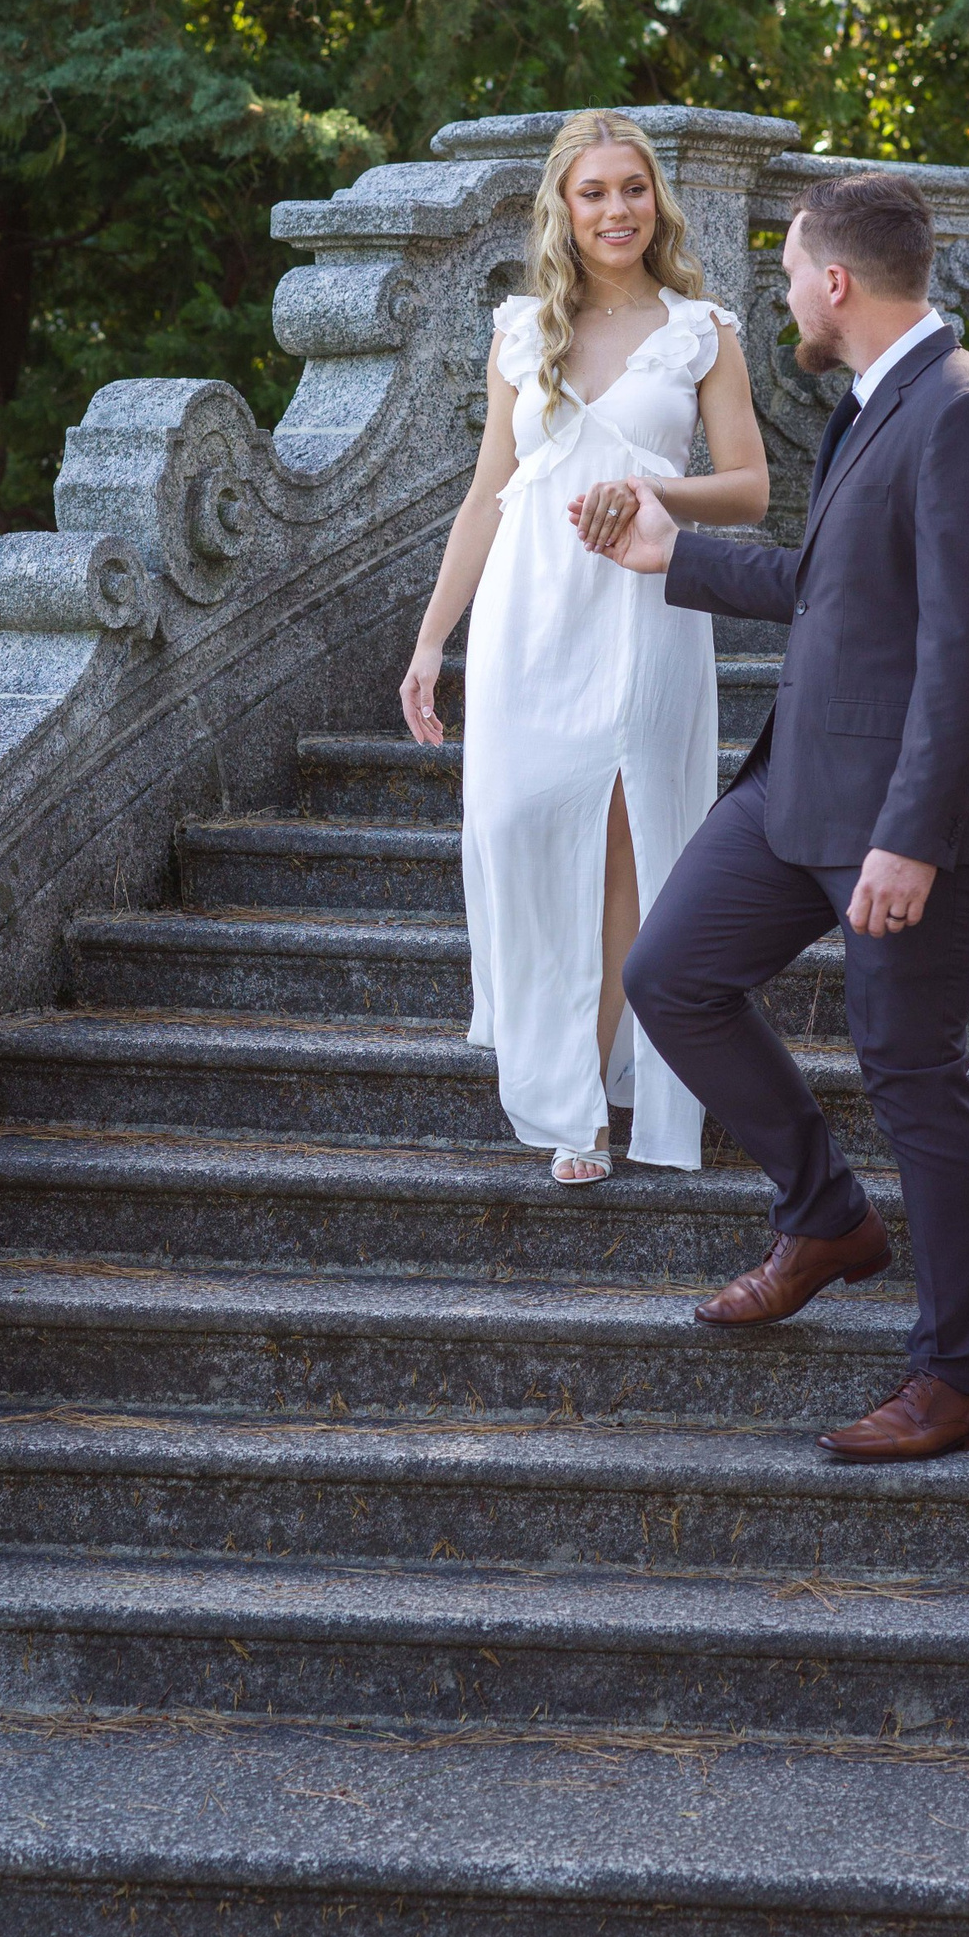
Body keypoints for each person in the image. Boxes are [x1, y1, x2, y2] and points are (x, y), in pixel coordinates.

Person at [579, 167, 969, 1459]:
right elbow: (838, 592)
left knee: (912, 1077)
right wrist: (673, 556)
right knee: (671, 976)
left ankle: (956, 1379)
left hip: (904, 810)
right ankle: (826, 1214)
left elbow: (968, 649)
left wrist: (911, 835)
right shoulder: (873, 402)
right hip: (800, 783)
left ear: (835, 281)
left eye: (788, 275)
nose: (782, 296)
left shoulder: (966, 411)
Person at [400, 113, 769, 1184]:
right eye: (594, 191)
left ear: (658, 201)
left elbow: (749, 488)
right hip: (527, 612)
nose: (617, 209)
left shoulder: (701, 330)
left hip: (644, 608)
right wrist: (431, 641)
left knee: (624, 844)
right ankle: (561, 1056)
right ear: (563, 209)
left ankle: (584, 1107)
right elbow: (487, 494)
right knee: (515, 826)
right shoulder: (522, 331)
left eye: (633, 188)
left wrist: (653, 487)